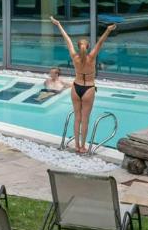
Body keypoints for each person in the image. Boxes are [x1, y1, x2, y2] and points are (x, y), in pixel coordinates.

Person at [50, 17, 116, 154]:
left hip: (76, 87)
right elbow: (101, 42)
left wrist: (58, 25)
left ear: (78, 46)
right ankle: (82, 147)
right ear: (87, 47)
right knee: (85, 119)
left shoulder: (75, 57)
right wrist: (108, 30)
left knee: (77, 118)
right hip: (88, 89)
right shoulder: (91, 57)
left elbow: (67, 40)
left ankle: (76, 145)